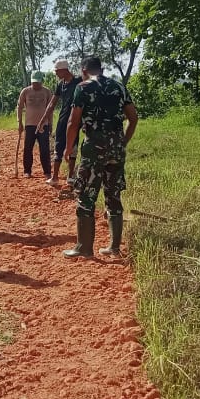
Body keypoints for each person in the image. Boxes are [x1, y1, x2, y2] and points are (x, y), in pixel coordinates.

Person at [63, 56, 138, 259]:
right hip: (116, 150)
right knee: (113, 196)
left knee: (86, 197)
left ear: (84, 70)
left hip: (93, 149)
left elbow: (73, 121)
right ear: (101, 69)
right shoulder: (119, 87)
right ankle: (114, 248)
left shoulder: (83, 87)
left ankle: (84, 247)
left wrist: (69, 149)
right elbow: (133, 117)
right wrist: (122, 142)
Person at [40, 59, 84, 186]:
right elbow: (52, 103)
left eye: (57, 71)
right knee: (59, 146)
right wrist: (43, 120)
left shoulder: (78, 82)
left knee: (73, 147)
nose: (56, 74)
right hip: (63, 118)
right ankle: (55, 177)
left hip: (75, 119)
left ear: (65, 70)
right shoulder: (61, 84)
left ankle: (70, 177)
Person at [16, 71, 53, 178]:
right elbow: (19, 107)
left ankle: (47, 172)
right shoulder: (25, 91)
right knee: (28, 148)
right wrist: (19, 122)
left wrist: (50, 124)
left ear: (42, 81)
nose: (36, 84)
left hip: (43, 125)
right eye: (34, 82)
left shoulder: (47, 92)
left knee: (44, 149)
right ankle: (27, 171)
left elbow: (50, 109)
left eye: (38, 82)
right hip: (29, 125)